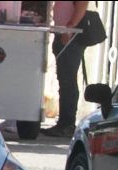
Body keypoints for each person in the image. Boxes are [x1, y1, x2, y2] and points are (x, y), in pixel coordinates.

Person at [41, 1, 89, 138]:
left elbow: (82, 4)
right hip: (62, 33)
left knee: (68, 80)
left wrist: (70, 27)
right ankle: (63, 122)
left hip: (70, 35)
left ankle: (67, 124)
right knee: (63, 79)